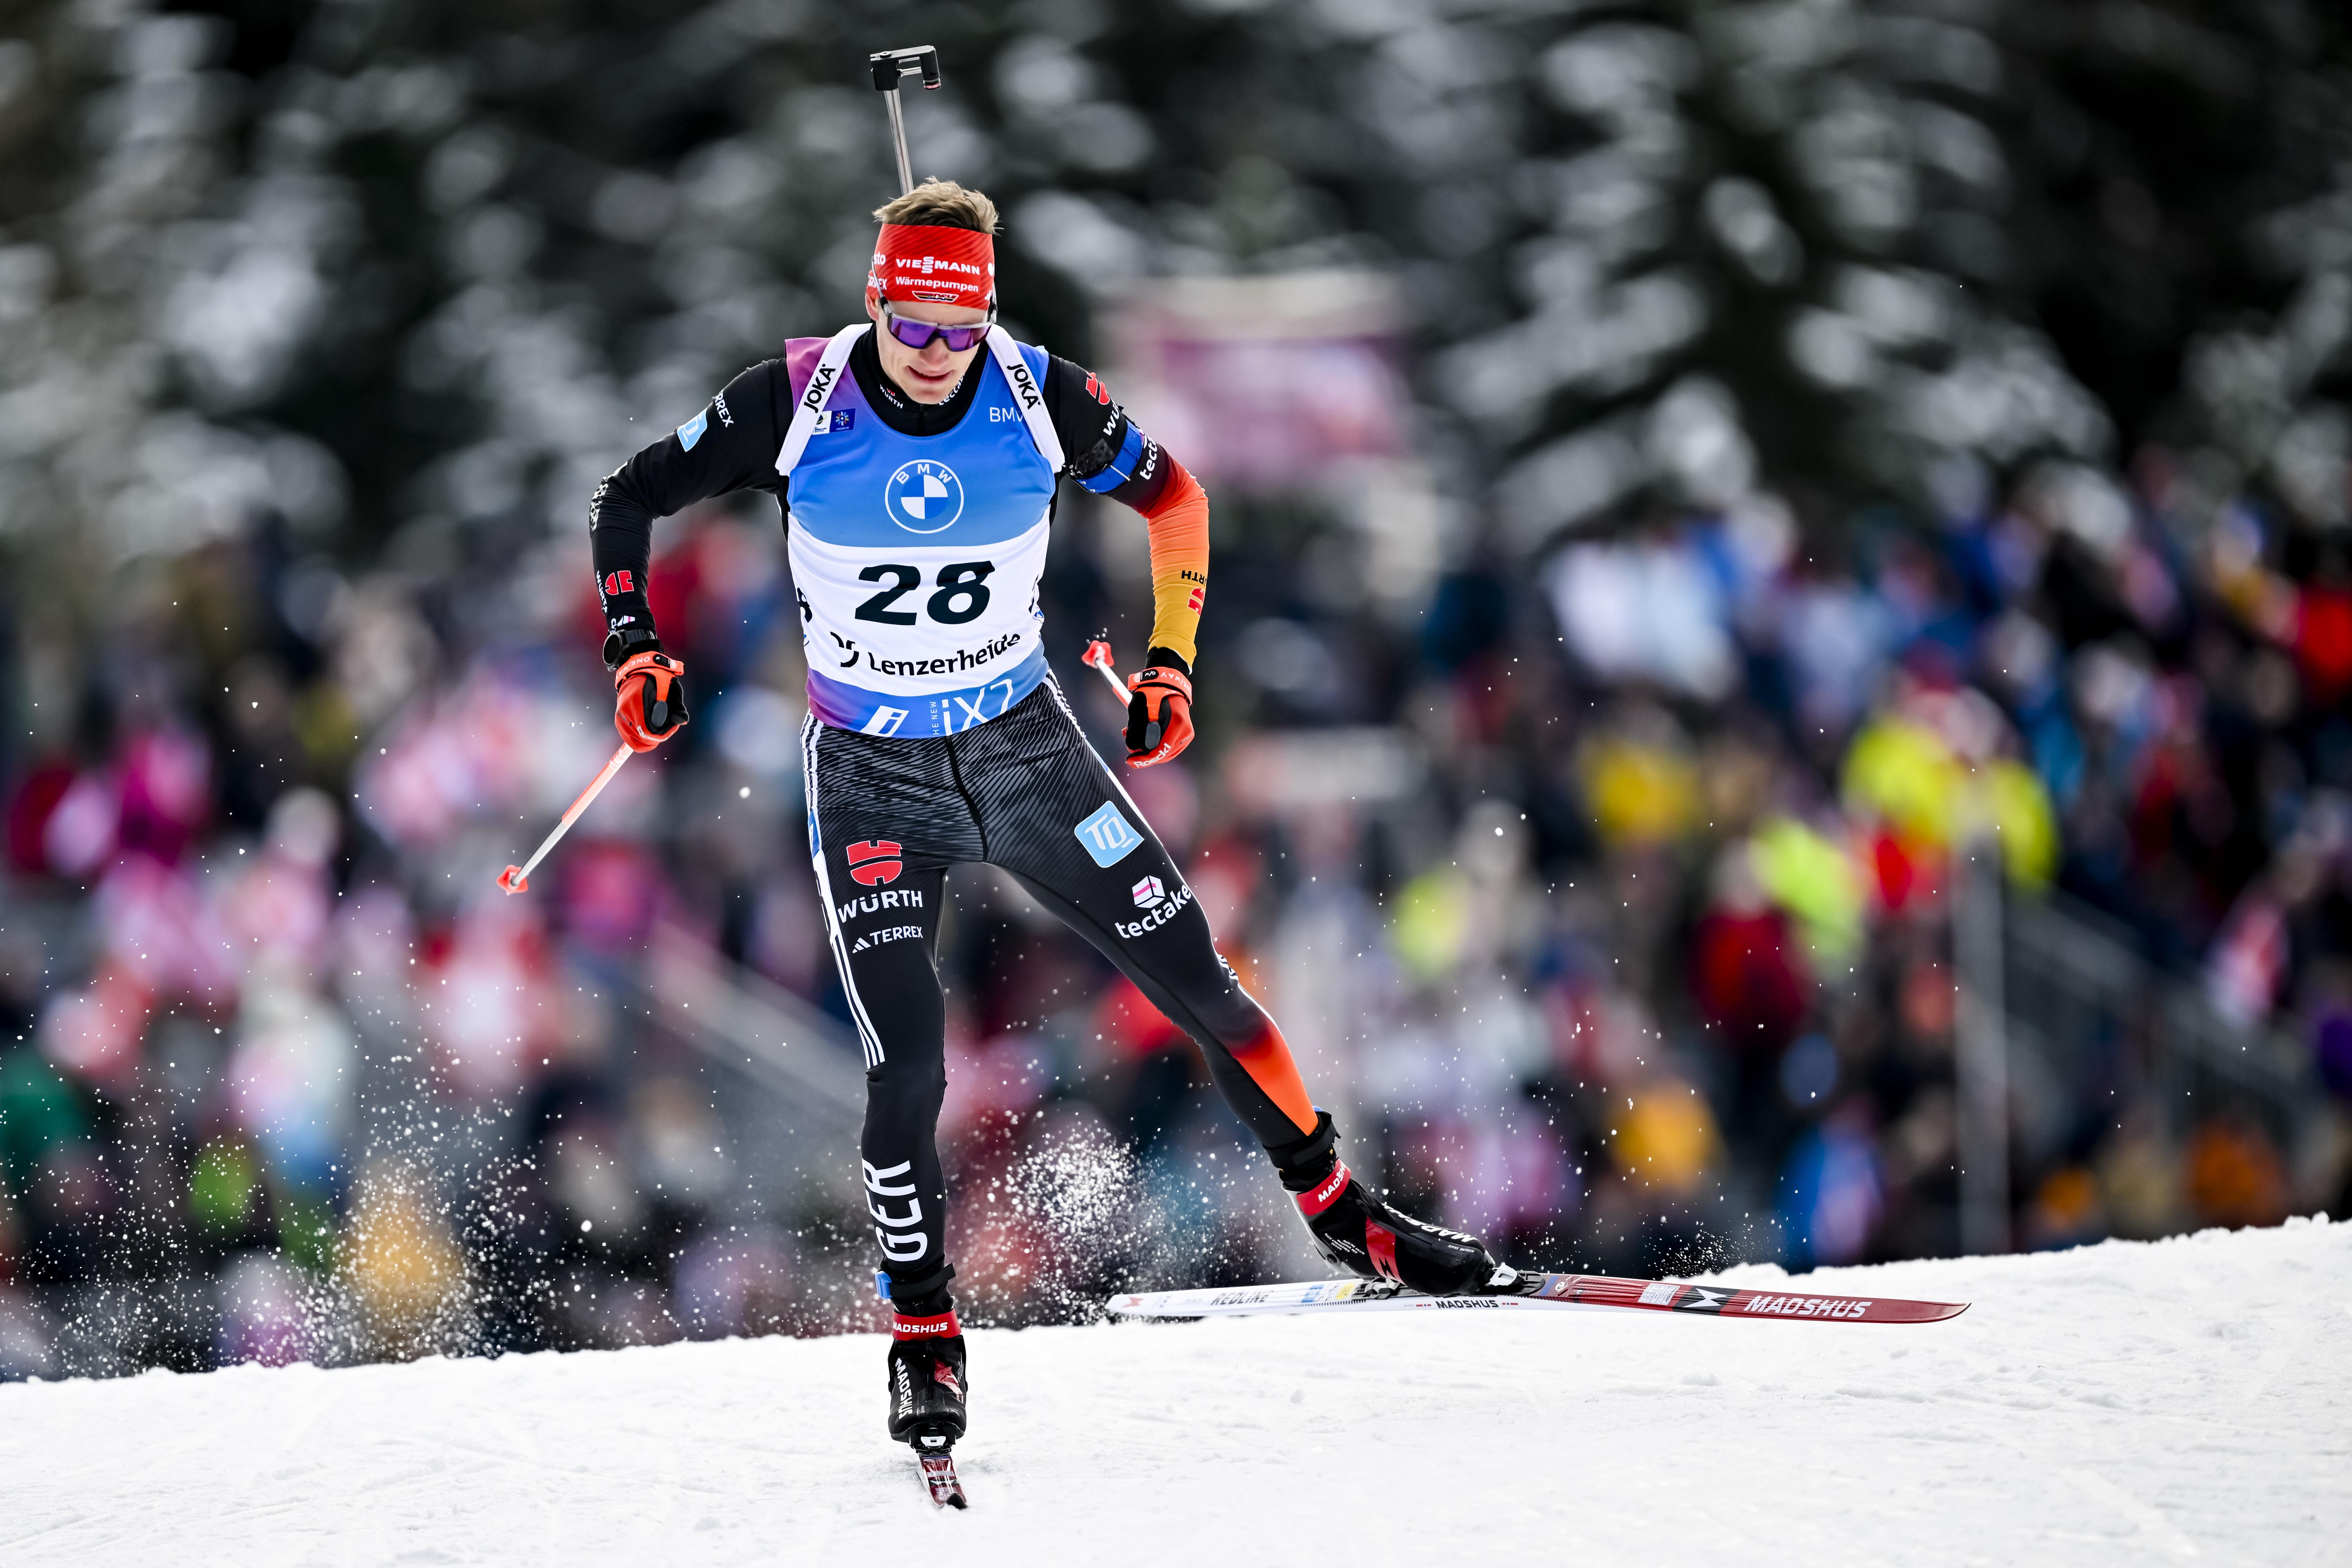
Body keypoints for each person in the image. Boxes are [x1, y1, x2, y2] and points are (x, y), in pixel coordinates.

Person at [586, 179, 1498, 1454]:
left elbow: (1176, 500)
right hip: (871, 774)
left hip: (1026, 754)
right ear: (875, 302)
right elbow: (626, 498)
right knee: (909, 1067)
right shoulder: (792, 401)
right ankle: (924, 1339)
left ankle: (1351, 1217)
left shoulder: (1036, 394)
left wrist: (1172, 660)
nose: (934, 356)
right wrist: (638, 646)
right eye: (912, 329)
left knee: (1206, 990)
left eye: (959, 333)